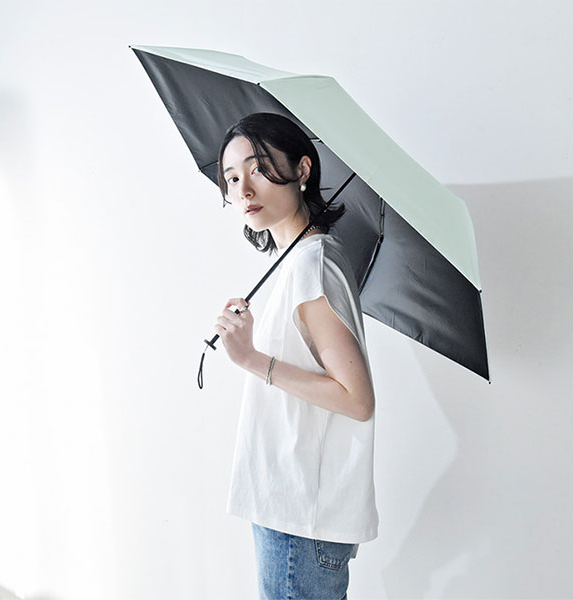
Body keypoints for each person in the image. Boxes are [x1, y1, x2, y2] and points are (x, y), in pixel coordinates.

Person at [213, 112, 378, 600]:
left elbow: (357, 399)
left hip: (299, 520)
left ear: (302, 169)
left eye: (259, 169)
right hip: (291, 511)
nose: (244, 189)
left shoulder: (313, 265)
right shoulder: (297, 262)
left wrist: (251, 359)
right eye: (232, 177)